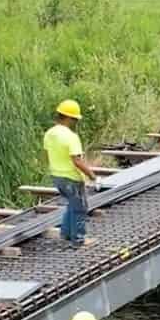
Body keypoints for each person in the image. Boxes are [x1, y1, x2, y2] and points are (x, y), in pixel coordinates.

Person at [43, 99, 98, 248]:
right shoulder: (71, 137)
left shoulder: (49, 134)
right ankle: (79, 240)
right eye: (74, 119)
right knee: (79, 207)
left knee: (71, 204)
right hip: (71, 179)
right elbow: (77, 161)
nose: (75, 122)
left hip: (56, 177)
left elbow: (47, 155)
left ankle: (66, 233)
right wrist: (92, 176)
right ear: (68, 117)